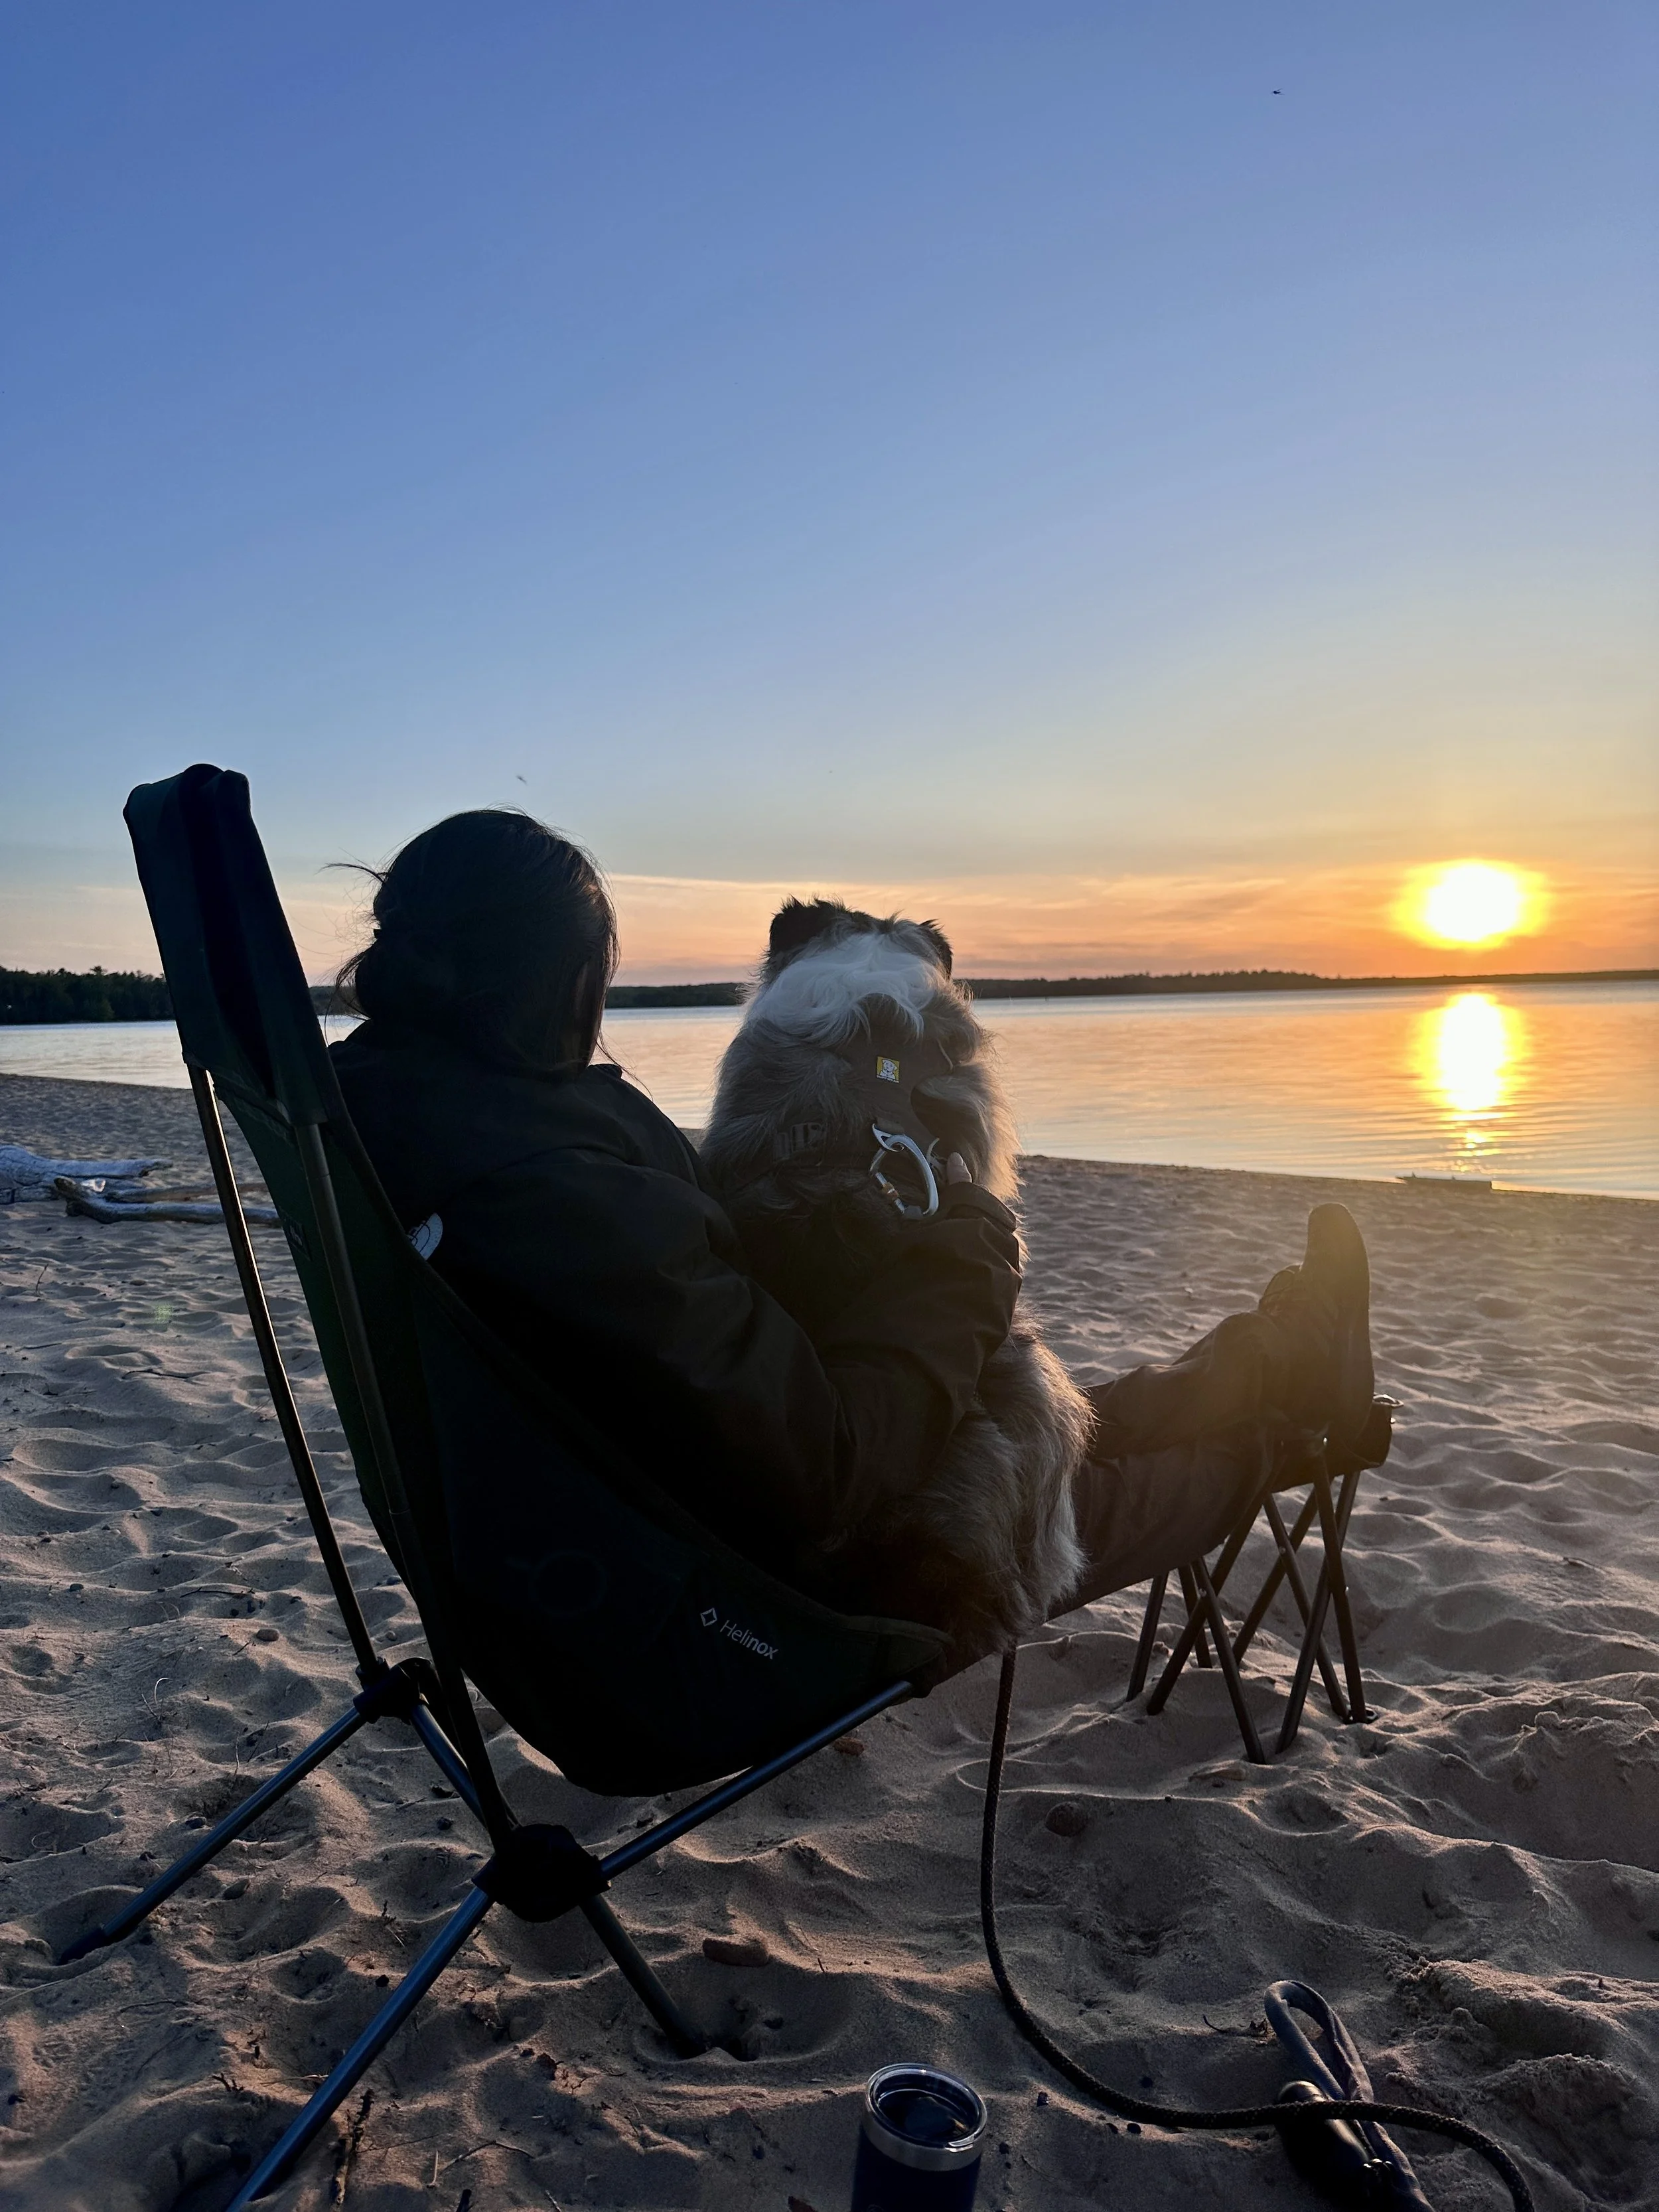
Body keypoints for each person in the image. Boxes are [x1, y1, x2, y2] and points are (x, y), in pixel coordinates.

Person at [330, 809, 1375, 1650]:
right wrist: (971, 1250)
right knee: (1134, 1469)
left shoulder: (399, 1114)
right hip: (838, 1573)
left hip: (603, 1534)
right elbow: (831, 1465)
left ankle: (1273, 1348)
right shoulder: (549, 1182)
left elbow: (735, 1365)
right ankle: (1296, 1416)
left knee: (1031, 1396)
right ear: (572, 980)